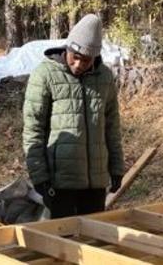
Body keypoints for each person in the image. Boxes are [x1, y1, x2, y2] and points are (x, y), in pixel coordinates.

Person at [22, 14, 125, 218]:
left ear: (95, 57)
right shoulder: (45, 75)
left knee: (94, 240)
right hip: (60, 181)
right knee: (63, 242)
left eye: (85, 60)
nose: (78, 64)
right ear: (67, 48)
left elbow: (111, 126)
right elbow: (33, 130)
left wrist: (116, 167)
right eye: (74, 57)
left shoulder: (104, 77)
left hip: (94, 181)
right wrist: (39, 176)